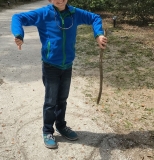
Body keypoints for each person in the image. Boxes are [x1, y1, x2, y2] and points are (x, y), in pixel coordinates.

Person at [11, 0, 107, 149]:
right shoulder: (43, 13)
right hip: (51, 66)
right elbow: (17, 17)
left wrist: (98, 34)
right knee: (51, 101)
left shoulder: (75, 13)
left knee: (62, 99)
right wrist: (19, 34)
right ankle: (47, 131)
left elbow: (95, 18)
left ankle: (61, 126)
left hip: (67, 65)